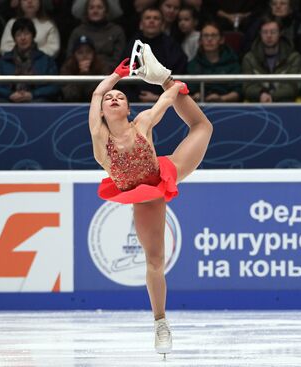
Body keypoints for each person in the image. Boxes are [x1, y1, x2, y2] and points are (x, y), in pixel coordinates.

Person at [89, 42, 212, 356]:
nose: (115, 98)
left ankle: (164, 74)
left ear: (128, 109)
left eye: (121, 97)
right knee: (155, 262)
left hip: (163, 173)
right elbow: (96, 93)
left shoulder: (142, 122)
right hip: (143, 196)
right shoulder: (101, 140)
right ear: (102, 111)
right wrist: (116, 76)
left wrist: (172, 85)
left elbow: (167, 102)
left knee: (202, 127)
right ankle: (160, 322)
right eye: (110, 98)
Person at [122, 6, 187, 102]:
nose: (152, 21)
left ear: (162, 24)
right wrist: (135, 98)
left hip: (167, 99)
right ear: (141, 24)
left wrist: (159, 97)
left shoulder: (172, 46)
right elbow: (124, 74)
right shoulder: (133, 45)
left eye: (156, 18)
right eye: (148, 18)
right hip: (135, 102)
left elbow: (180, 74)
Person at [0, 17, 60, 102]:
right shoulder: (4, 60)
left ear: (33, 35)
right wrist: (9, 94)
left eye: (26, 34)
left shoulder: (45, 60)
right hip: (10, 100)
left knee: (41, 102)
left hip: (35, 100)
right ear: (14, 38)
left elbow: (54, 87)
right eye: (18, 34)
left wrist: (32, 94)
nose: (23, 38)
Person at [241, 16, 301, 102]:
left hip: (285, 103)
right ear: (260, 33)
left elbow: (293, 87)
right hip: (258, 102)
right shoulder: (249, 58)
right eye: (265, 32)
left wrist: (272, 97)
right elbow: (247, 87)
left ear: (280, 33)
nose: (269, 36)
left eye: (273, 32)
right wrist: (261, 94)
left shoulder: (293, 57)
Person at [187, 21, 241, 102]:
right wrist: (196, 97)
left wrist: (222, 99)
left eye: (214, 35)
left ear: (221, 40)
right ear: (200, 41)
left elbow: (238, 92)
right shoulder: (193, 65)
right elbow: (187, 92)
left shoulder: (232, 63)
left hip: (227, 107)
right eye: (206, 36)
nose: (209, 39)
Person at [66, 0, 126, 71]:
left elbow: (120, 61)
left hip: (109, 75)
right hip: (80, 74)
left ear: (106, 10)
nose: (95, 11)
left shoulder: (116, 31)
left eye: (99, 7)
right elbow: (69, 59)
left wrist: (97, 67)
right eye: (91, 8)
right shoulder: (78, 32)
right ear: (86, 11)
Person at [60, 35, 110, 102]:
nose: (84, 56)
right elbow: (69, 96)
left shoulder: (102, 66)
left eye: (88, 52)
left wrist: (88, 75)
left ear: (94, 54)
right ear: (74, 55)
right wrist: (81, 76)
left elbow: (104, 94)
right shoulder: (67, 67)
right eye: (80, 52)